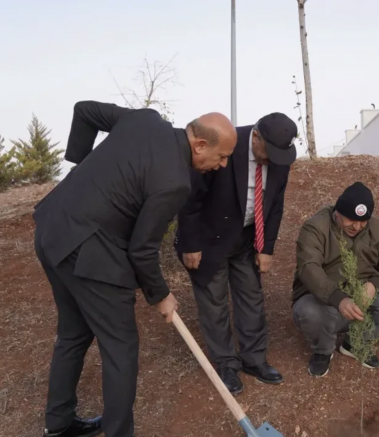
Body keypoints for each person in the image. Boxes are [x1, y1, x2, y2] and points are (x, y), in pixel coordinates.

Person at [34, 101, 236, 437]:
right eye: (221, 156)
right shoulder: (175, 182)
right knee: (120, 347)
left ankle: (58, 424)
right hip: (89, 250)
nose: (223, 164)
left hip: (51, 228)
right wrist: (162, 295)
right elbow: (142, 250)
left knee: (74, 333)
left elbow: (84, 110)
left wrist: (81, 170)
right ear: (200, 145)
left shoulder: (144, 119)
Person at [174, 113, 298, 394]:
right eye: (271, 153)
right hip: (207, 240)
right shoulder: (226, 143)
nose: (274, 161)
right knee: (214, 303)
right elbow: (190, 196)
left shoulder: (279, 158)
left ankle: (254, 359)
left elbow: (275, 205)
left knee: (251, 299)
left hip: (245, 239)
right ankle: (226, 364)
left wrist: (266, 247)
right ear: (256, 137)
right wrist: (190, 243)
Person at [291, 182, 379, 377]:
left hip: (360, 303)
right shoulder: (315, 228)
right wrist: (338, 299)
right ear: (338, 212)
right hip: (327, 306)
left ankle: (355, 343)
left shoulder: (376, 228)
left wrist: (373, 285)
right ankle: (323, 350)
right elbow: (309, 269)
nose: (357, 226)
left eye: (363, 222)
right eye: (351, 220)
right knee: (309, 310)